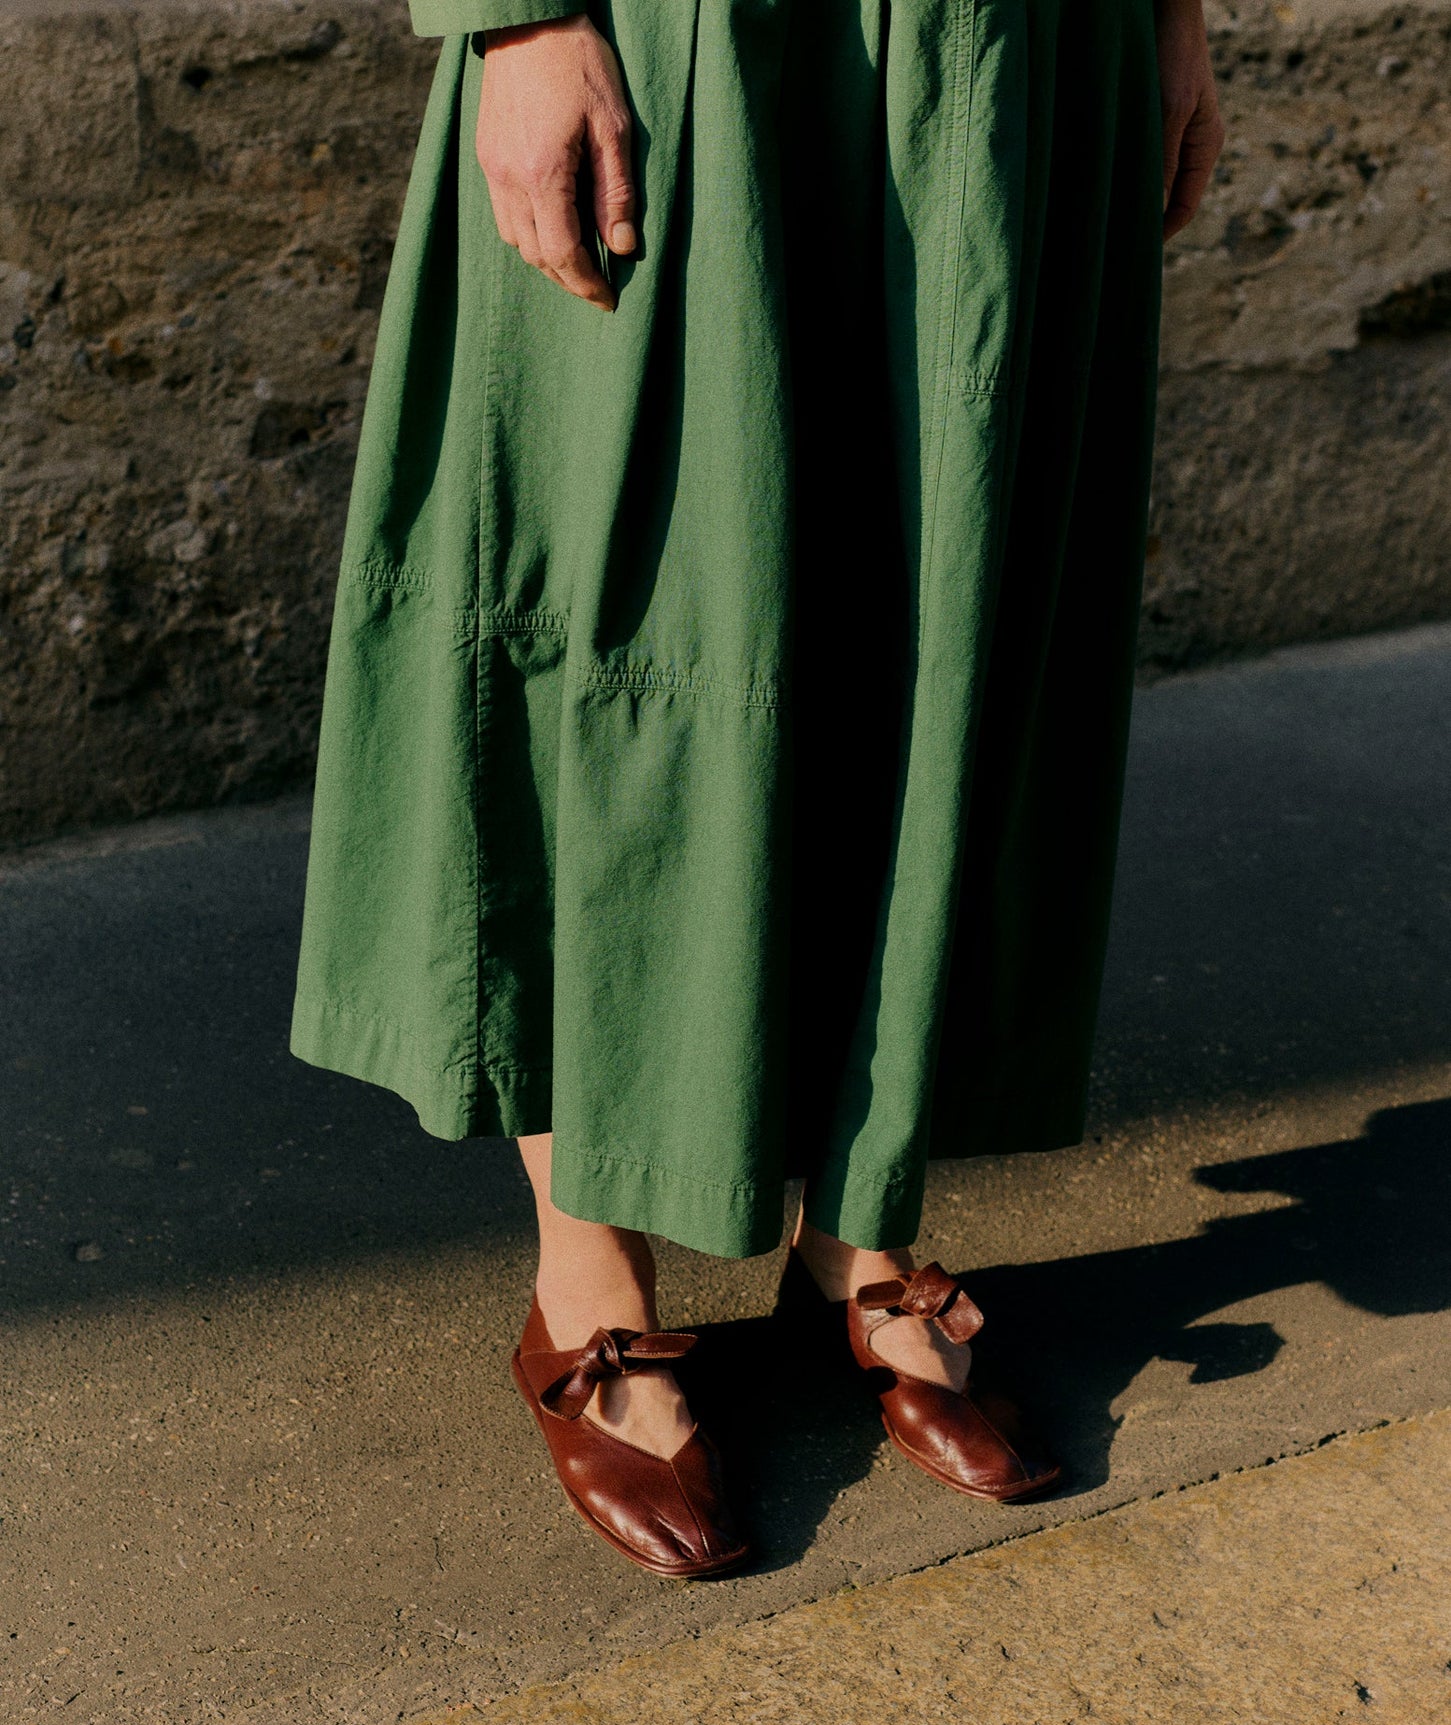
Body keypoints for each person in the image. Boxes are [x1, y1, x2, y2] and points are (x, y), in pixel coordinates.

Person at [292, 0, 1223, 1578]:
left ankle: (861, 1222)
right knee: (616, 592)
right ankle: (589, 1278)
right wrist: (519, 21)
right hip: (683, 32)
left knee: (933, 598)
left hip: (1017, 45)